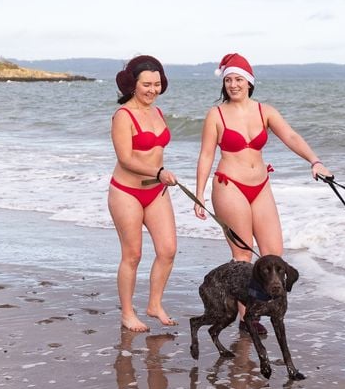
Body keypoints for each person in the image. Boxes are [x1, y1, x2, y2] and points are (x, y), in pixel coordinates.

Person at [194, 53, 331, 331]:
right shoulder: (216, 115)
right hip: (229, 184)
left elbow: (291, 136)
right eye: (229, 80)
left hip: (260, 185)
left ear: (249, 82)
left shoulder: (264, 111)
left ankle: (266, 309)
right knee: (243, 256)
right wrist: (199, 194)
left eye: (239, 79)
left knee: (273, 254)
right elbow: (206, 155)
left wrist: (315, 161)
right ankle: (248, 317)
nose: (233, 85)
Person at [108, 55, 179, 332]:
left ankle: (154, 304)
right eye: (147, 84)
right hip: (127, 192)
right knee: (132, 255)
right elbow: (126, 158)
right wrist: (159, 173)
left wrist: (160, 176)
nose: (152, 90)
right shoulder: (123, 115)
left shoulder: (157, 112)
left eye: (157, 84)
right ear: (133, 86)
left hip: (156, 191)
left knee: (168, 250)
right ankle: (127, 313)